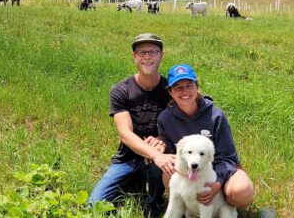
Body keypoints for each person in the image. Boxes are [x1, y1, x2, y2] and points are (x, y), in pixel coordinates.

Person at [88, 33, 175, 218]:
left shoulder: (171, 90)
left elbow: (183, 122)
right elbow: (125, 134)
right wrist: (155, 154)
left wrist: (162, 140)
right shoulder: (121, 90)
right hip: (127, 158)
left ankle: (154, 202)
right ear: (134, 56)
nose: (147, 57)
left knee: (158, 167)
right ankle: (134, 181)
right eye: (142, 52)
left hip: (157, 158)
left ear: (162, 55)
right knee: (93, 207)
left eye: (153, 52)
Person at [157, 64, 254, 208]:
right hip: (191, 171)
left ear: (197, 87)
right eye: (178, 87)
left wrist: (217, 182)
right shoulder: (165, 119)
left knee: (242, 192)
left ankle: (222, 205)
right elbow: (171, 156)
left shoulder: (216, 115)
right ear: (170, 92)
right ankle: (187, 209)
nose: (185, 91)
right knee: (168, 173)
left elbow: (227, 157)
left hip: (220, 170)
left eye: (189, 85)